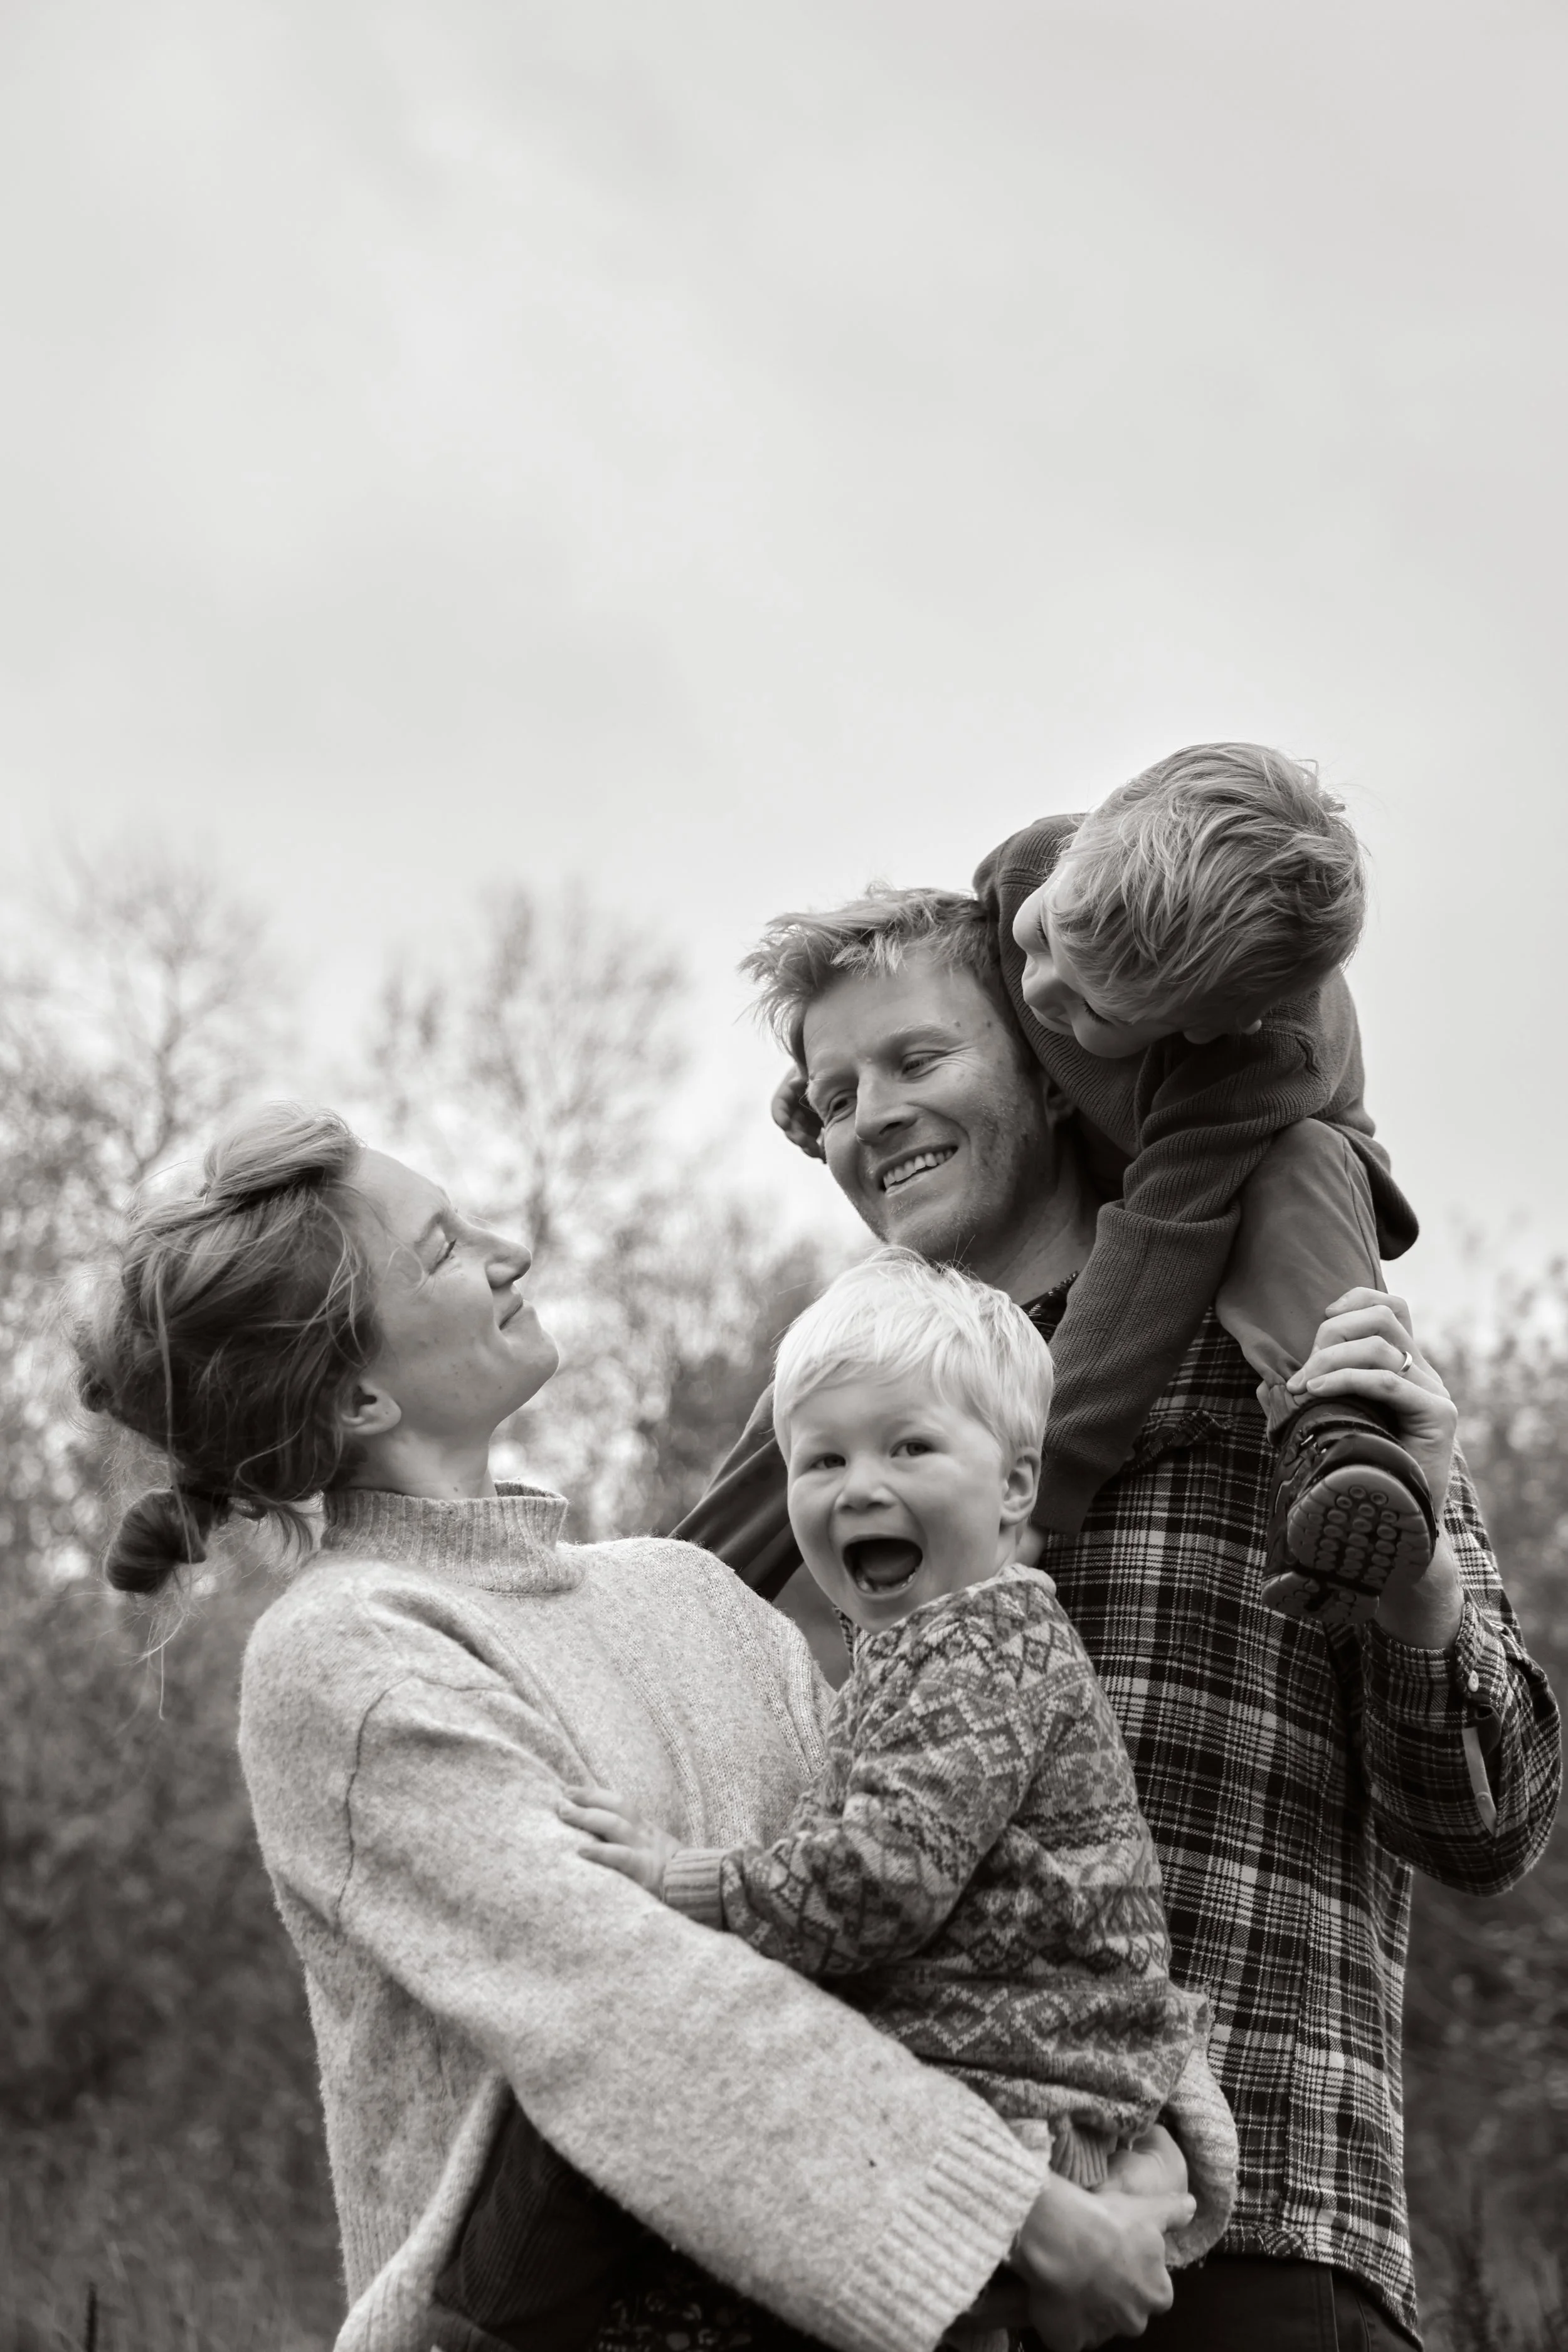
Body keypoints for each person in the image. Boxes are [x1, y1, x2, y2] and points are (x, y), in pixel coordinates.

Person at [71, 1103, 1192, 2352]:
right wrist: (1019, 2219)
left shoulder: (689, 1594)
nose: (509, 1251)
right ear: (359, 1394)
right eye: (441, 1248)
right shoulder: (354, 1649)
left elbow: (966, 1884)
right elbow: (630, 2003)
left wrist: (1148, 2144)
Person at [679, 887, 1561, 2349]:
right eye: (831, 1094)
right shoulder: (846, 1438)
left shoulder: (1280, 1347)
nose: (867, 1119)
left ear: (1046, 1064)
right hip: (947, 2243)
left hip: (1259, 2224)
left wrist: (1417, 1599)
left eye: (914, 1062)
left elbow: (1490, 1827)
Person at [567, 1250, 1237, 2294]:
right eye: (821, 1461)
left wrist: (684, 1879)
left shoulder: (982, 1650)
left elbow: (886, 1876)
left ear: (1017, 1484)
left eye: (909, 1446)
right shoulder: (926, 1647)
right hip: (1009, 2068)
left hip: (1012, 2084)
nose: (860, 1485)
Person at [775, 744, 1428, 1629]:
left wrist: (1042, 1486)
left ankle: (1336, 1439)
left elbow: (1165, 1235)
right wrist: (833, 1082)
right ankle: (683, 1581)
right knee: (840, 1348)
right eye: (1042, 941)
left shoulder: (1260, 1056)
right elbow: (954, 978)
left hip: (1262, 1196)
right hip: (1107, 1144)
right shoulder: (1025, 870)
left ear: (1201, 1028)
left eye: (1092, 1015)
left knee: (1299, 1166)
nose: (1038, 992)